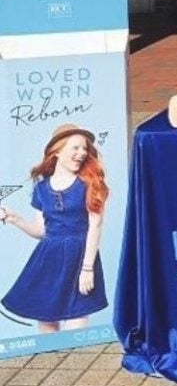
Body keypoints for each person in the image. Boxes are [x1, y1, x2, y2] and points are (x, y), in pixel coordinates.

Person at [0, 124, 109, 332]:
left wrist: (87, 268)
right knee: (47, 328)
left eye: (84, 149)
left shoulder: (90, 183)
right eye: (75, 148)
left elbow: (95, 225)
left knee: (76, 329)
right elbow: (41, 231)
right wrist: (15, 219)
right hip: (48, 259)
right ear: (57, 151)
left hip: (80, 258)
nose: (82, 153)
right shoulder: (41, 188)